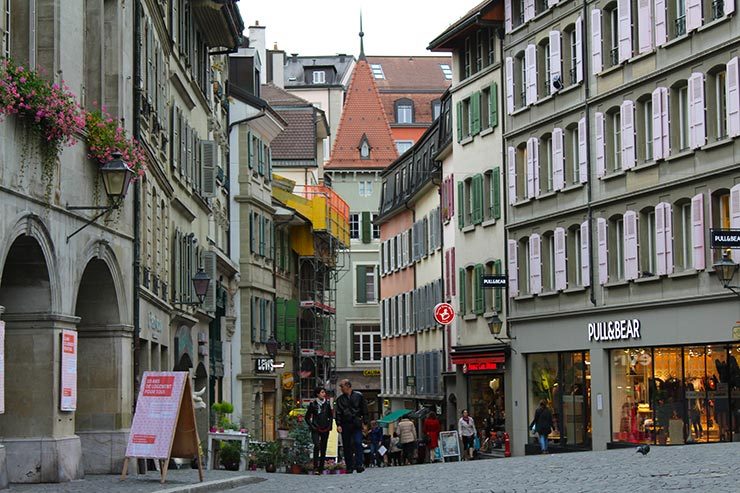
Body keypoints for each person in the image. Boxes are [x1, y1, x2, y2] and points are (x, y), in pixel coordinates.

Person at [335, 379, 368, 473]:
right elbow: (338, 413)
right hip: (346, 424)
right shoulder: (340, 399)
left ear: (348, 386)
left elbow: (364, 409)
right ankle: (349, 466)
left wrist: (365, 423)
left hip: (356, 423)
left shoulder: (359, 396)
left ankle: (359, 464)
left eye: (342, 386)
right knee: (347, 446)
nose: (341, 388)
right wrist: (338, 424)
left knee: (358, 442)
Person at [305, 386, 333, 474]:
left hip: (325, 428)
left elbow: (331, 416)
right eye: (322, 392)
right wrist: (312, 426)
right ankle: (315, 467)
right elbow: (307, 417)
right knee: (317, 446)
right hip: (316, 428)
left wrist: (330, 425)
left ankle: (321, 468)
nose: (324, 394)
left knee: (323, 448)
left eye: (324, 392)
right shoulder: (313, 404)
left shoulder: (327, 404)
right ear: (317, 394)